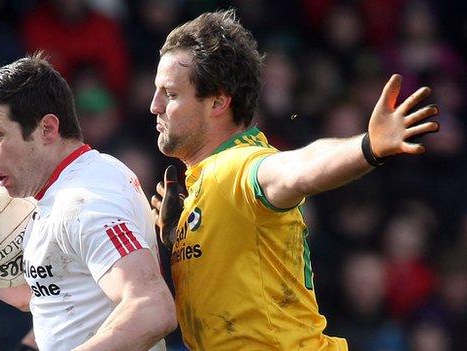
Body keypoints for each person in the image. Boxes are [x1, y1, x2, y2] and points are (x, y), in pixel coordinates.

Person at [149, 9, 439, 350]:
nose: (155, 106)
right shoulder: (200, 189)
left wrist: (366, 146)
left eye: (170, 94)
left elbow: (298, 170)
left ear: (218, 101)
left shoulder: (242, 166)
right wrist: (171, 238)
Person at [0, 53, 177, 350]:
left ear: (47, 129)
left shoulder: (85, 201)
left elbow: (152, 307)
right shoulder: (58, 193)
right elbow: (38, 295)